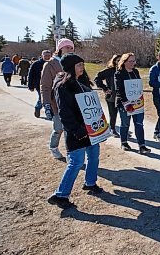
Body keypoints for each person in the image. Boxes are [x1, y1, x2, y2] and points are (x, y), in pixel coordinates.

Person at [47, 53, 103, 209]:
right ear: (71, 67)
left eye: (82, 64)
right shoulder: (62, 86)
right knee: (76, 162)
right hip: (76, 131)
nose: (82, 67)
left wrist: (101, 126)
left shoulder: (83, 82)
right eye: (79, 65)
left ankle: (90, 183)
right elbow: (64, 112)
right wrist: (77, 130)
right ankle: (61, 195)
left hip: (90, 129)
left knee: (94, 156)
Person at [41, 38, 75, 160]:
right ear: (60, 49)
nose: (70, 50)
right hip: (56, 102)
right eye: (67, 47)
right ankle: (53, 147)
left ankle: (70, 151)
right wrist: (46, 104)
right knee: (59, 128)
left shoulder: (72, 63)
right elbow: (45, 86)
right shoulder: (50, 64)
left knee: (70, 128)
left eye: (72, 48)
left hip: (71, 101)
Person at [114, 52, 151, 154]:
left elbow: (138, 87)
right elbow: (119, 90)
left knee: (139, 124)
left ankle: (142, 145)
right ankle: (124, 142)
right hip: (124, 104)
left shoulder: (135, 72)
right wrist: (126, 103)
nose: (132, 63)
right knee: (125, 124)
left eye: (134, 61)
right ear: (124, 61)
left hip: (137, 103)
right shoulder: (119, 73)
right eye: (130, 61)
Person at [95, 54, 121, 137]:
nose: (119, 62)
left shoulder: (124, 70)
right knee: (113, 114)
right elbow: (97, 78)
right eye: (117, 60)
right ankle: (112, 129)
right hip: (112, 96)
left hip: (123, 96)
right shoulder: (109, 71)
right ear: (114, 61)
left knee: (124, 114)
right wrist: (105, 88)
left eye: (121, 60)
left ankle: (124, 129)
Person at [28, 50, 52, 118]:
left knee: (50, 98)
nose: (47, 57)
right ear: (42, 56)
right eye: (45, 56)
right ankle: (38, 107)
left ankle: (50, 111)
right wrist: (30, 86)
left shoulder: (52, 63)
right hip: (39, 85)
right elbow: (30, 75)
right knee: (42, 98)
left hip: (51, 84)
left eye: (49, 56)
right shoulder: (36, 64)